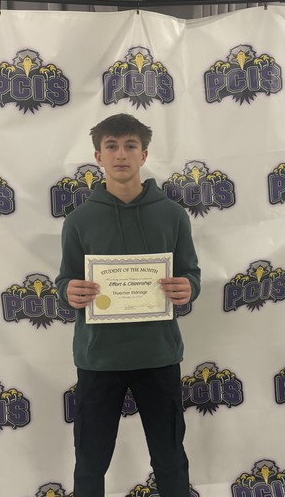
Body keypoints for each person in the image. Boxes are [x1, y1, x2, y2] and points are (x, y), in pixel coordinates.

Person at [55, 113, 201, 497]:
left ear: (144, 154)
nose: (121, 154)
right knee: (90, 460)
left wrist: (188, 287)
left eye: (130, 146)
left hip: (158, 353)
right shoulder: (79, 220)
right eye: (112, 146)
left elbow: (190, 273)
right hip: (99, 357)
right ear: (98, 156)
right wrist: (68, 291)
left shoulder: (172, 215)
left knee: (170, 457)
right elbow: (65, 279)